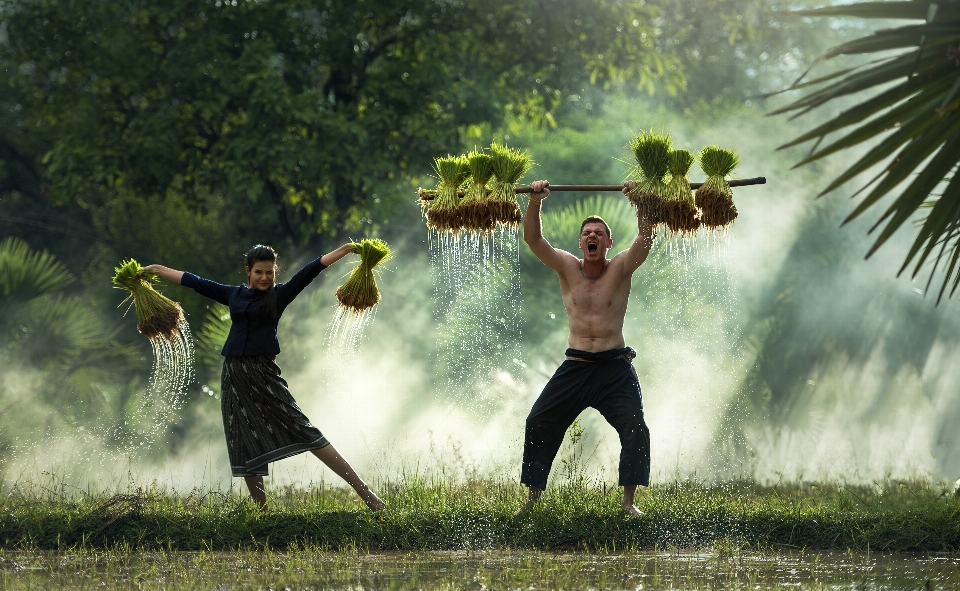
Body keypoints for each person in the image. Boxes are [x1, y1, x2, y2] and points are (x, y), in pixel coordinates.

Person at [143, 244, 385, 511]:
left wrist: (346, 250)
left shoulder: (279, 296)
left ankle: (368, 496)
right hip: (233, 375)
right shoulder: (233, 294)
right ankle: (262, 512)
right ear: (248, 271)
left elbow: (311, 270)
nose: (264, 277)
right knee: (242, 438)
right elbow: (195, 282)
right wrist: (156, 270)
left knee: (304, 429)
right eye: (259, 272)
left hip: (263, 373)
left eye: (269, 272)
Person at [519, 179, 654, 515]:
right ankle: (533, 499)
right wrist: (535, 201)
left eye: (598, 233)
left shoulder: (620, 267)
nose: (592, 236)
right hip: (576, 364)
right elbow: (534, 240)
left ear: (608, 242)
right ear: (580, 243)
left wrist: (639, 202)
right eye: (587, 233)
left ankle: (628, 503)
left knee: (635, 426)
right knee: (538, 421)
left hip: (614, 366)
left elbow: (646, 239)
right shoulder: (568, 266)